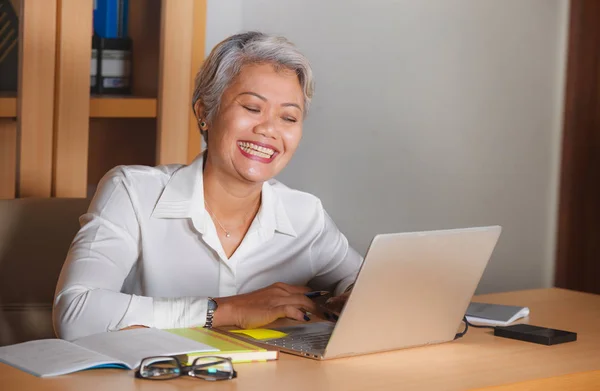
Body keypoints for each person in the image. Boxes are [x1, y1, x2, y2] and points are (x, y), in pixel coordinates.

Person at [53, 31, 362, 341]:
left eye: (289, 118)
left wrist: (351, 299)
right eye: (252, 108)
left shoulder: (305, 214)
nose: (269, 129)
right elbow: (75, 313)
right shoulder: (134, 192)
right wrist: (226, 310)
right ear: (204, 113)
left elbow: (365, 281)